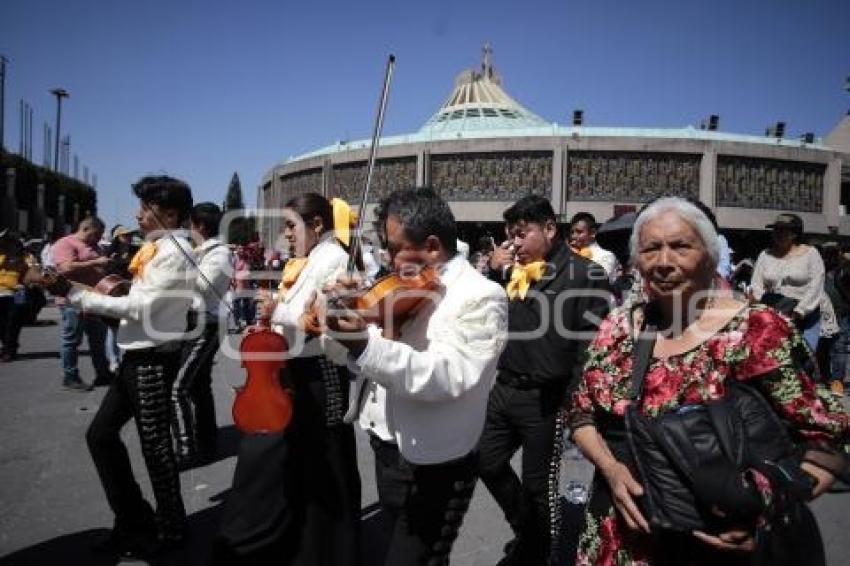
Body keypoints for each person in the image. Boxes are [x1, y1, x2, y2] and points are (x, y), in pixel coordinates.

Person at [566, 197, 850, 565]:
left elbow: (826, 445)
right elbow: (581, 413)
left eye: (681, 246)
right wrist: (611, 469)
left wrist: (764, 518)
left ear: (711, 255)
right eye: (651, 249)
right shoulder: (618, 327)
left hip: (715, 547)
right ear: (637, 261)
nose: (665, 262)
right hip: (616, 536)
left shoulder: (759, 331)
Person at [326, 187, 509, 565]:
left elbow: (450, 375)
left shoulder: (481, 294)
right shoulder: (400, 287)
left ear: (430, 246)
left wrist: (364, 344)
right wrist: (336, 323)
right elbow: (350, 356)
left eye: (393, 248)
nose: (387, 260)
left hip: (437, 462)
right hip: (386, 445)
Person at [45, 176, 195, 559]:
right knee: (102, 436)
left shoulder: (173, 251)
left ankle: (170, 529)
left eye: (146, 208)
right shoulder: (158, 248)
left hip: (152, 357)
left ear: (170, 213)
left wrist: (80, 297)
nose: (138, 214)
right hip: (137, 354)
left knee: (155, 448)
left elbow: (139, 307)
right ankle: (134, 519)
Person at [215, 193, 360, 565]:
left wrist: (278, 309)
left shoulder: (335, 259)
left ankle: (335, 551)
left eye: (292, 225)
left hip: (321, 372)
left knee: (328, 464)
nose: (287, 234)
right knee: (307, 463)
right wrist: (272, 313)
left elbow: (323, 322)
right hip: (298, 369)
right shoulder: (310, 259)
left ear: (316, 225)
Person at [477, 196, 611, 565]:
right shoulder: (512, 270)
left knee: (539, 485)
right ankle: (527, 529)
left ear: (550, 229)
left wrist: (573, 403)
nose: (514, 244)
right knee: (484, 460)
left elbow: (591, 347)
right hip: (504, 388)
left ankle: (542, 553)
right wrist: (492, 273)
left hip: (547, 399)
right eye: (510, 236)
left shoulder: (586, 274)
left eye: (522, 235)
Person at [170, 203, 232, 468]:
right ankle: (208, 442)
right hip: (195, 322)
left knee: (177, 388)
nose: (187, 230)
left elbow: (201, 287)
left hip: (206, 323)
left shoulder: (218, 253)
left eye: (190, 226)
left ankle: (186, 449)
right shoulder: (201, 251)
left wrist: (178, 264)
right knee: (198, 386)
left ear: (201, 227)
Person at [51, 217, 113, 390]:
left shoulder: (95, 247)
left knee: (98, 340)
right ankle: (70, 377)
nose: (99, 238)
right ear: (86, 228)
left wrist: (106, 265)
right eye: (97, 234)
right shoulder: (65, 243)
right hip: (72, 300)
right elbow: (65, 268)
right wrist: (95, 262)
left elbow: (97, 268)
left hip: (93, 300)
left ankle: (103, 374)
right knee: (72, 340)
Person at [750, 213, 826, 350]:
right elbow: (756, 284)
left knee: (803, 358)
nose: (778, 233)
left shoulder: (811, 254)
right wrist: (764, 308)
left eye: (783, 230)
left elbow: (816, 286)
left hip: (804, 317)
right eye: (776, 230)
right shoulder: (765, 255)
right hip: (772, 315)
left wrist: (799, 311)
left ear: (795, 234)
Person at [0, 232, 35, 361]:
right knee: (2, 324)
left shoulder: (26, 257)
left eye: (12, 244)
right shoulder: (2, 256)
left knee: (13, 323)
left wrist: (25, 282)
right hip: (1, 292)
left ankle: (9, 349)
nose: (10, 246)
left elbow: (33, 273)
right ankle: (8, 346)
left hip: (17, 294)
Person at [568, 212, 618, 277]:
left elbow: (600, 280)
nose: (573, 236)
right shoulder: (570, 252)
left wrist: (578, 258)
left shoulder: (606, 256)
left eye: (579, 232)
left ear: (593, 233)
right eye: (572, 232)